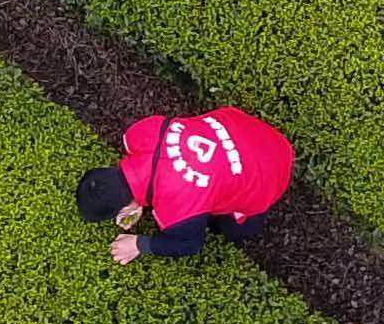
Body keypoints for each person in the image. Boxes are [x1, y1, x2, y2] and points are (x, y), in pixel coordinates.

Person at [77, 106, 294, 264]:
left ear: (126, 209)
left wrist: (138, 244)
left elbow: (190, 244)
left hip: (271, 170)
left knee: (231, 229)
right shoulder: (138, 133)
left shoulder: (177, 209)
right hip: (245, 129)